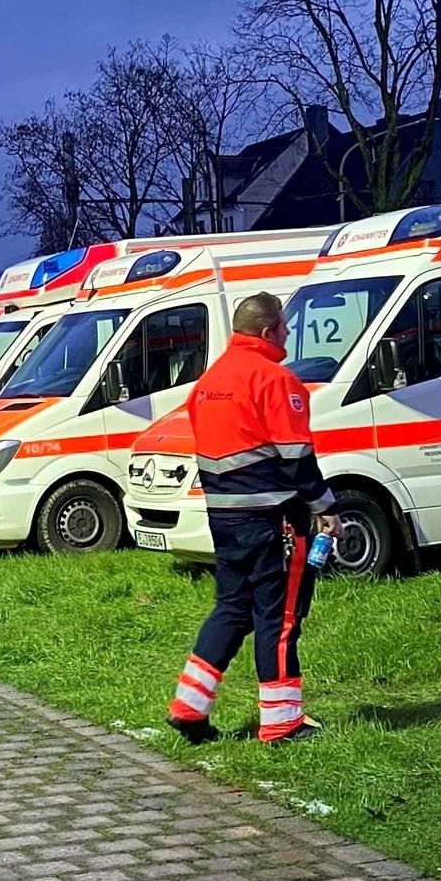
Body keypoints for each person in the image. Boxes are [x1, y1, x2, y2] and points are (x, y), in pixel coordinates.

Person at [166, 293, 335, 746]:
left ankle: (190, 706)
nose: (287, 335)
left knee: (231, 608)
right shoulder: (275, 380)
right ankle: (282, 723)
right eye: (283, 328)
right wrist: (326, 508)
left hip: (224, 519)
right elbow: (297, 459)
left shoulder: (207, 382)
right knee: (278, 619)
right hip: (274, 519)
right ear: (267, 332)